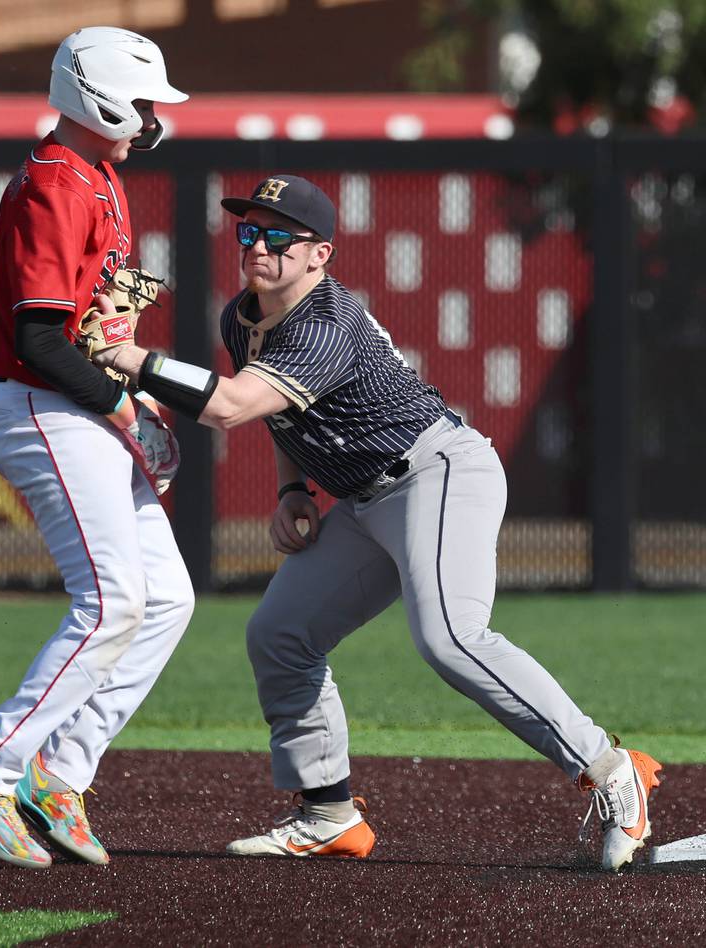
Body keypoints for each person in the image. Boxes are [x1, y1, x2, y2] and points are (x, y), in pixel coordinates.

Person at [89, 173, 662, 871]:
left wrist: (127, 357)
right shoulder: (241, 316)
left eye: (277, 235)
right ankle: (327, 813)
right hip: (362, 499)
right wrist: (293, 487)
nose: (258, 245)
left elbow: (232, 406)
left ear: (320, 254)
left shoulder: (326, 322)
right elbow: (269, 409)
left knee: (451, 636)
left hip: (436, 472)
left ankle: (610, 771)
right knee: (281, 633)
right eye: (248, 230)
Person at [0, 27, 195, 869]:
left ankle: (56, 773)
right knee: (113, 599)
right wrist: (123, 408)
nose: (152, 117)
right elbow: (41, 339)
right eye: (143, 101)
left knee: (168, 598)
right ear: (101, 96)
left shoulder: (99, 176)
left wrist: (132, 394)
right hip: (46, 408)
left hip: (78, 406)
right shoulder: (55, 181)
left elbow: (89, 327)